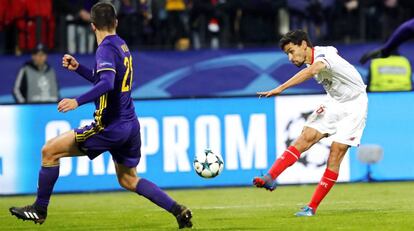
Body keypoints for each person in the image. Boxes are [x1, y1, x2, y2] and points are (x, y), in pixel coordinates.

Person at [9, 2, 193, 229]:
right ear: (116, 22)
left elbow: (106, 82)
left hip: (110, 126)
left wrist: (77, 101)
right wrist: (79, 69)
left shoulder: (104, 49)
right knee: (128, 179)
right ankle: (178, 210)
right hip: (129, 124)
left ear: (92, 26)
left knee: (49, 151)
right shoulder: (121, 46)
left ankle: (39, 209)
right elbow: (108, 80)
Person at [253, 29, 368, 217]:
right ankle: (270, 177)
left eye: (291, 51)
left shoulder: (324, 54)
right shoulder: (316, 58)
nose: (290, 58)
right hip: (334, 102)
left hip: (355, 105)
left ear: (304, 45)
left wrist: (280, 88)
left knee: (336, 152)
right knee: (305, 137)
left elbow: (314, 69)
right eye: (287, 54)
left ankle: (311, 207)